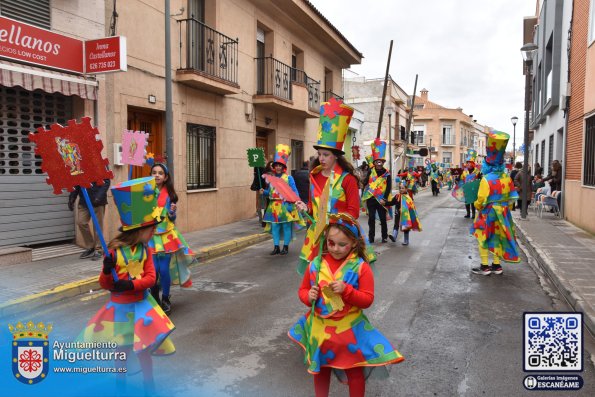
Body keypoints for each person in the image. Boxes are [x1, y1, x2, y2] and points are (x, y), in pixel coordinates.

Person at [288, 213, 404, 397]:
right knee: (321, 370)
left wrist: (347, 291)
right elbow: (302, 291)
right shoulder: (315, 265)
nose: (335, 249)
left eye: (342, 244)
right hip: (320, 329)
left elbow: (367, 300)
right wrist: (308, 296)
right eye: (331, 243)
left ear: (355, 244)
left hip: (349, 330)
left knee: (354, 371)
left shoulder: (360, 267)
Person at [80, 176, 175, 393]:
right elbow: (104, 283)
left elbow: (152, 278)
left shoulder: (146, 250)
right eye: (151, 228)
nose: (153, 232)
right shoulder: (113, 252)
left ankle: (148, 386)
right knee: (120, 350)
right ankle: (120, 386)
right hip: (120, 310)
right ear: (138, 230)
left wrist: (131, 286)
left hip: (140, 308)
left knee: (143, 350)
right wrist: (106, 270)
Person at [295, 98, 363, 274]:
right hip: (316, 237)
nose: (321, 158)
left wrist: (333, 226)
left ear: (336, 157)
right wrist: (305, 209)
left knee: (335, 281)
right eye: (319, 154)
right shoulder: (314, 177)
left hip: (339, 240)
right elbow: (312, 208)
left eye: (326, 154)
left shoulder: (348, 180)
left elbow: (354, 212)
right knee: (314, 281)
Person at [471, 131, 520, 276]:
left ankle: (485, 266)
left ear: (487, 164)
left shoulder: (486, 179)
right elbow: (512, 198)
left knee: (483, 237)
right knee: (498, 238)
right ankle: (497, 265)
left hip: (488, 214)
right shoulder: (507, 178)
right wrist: (506, 208)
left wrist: (476, 206)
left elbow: (481, 200)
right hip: (503, 213)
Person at [148, 163, 195, 315]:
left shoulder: (170, 195)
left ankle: (166, 298)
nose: (157, 175)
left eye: (160, 173)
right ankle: (154, 297)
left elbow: (172, 218)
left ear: (166, 177)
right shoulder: (146, 193)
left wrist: (172, 213)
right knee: (153, 271)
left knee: (163, 269)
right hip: (150, 236)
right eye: (154, 172)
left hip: (166, 236)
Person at [261, 144, 302, 255]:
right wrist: (263, 192)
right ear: (274, 167)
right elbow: (270, 192)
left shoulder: (289, 178)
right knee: (275, 227)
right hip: (274, 207)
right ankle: (276, 247)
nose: (278, 167)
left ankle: (285, 247)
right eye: (277, 165)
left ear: (283, 166)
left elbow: (294, 191)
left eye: (280, 165)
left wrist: (297, 202)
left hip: (286, 206)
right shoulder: (271, 179)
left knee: (286, 226)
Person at [68, 179, 111, 260]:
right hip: (84, 201)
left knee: (97, 226)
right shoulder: (78, 166)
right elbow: (75, 183)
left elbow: (106, 182)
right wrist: (72, 198)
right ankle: (90, 247)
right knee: (81, 222)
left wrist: (99, 196)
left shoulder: (100, 165)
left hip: (98, 201)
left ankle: (98, 249)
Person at [361, 138, 392, 244]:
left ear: (383, 162)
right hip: (371, 198)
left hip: (381, 199)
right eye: (377, 161)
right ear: (374, 162)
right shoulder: (370, 171)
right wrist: (364, 177)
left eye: (381, 161)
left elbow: (388, 187)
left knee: (383, 219)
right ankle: (371, 237)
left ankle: (384, 236)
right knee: (371, 219)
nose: (379, 163)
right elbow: (365, 183)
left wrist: (384, 198)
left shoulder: (387, 173)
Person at [387, 178, 422, 245]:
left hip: (405, 215)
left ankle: (406, 240)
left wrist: (411, 215)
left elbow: (411, 207)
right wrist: (385, 203)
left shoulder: (408, 197)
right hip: (397, 213)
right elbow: (391, 202)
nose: (401, 189)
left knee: (406, 227)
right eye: (400, 188)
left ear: (406, 189)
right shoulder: (397, 196)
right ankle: (394, 236)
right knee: (396, 224)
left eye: (403, 188)